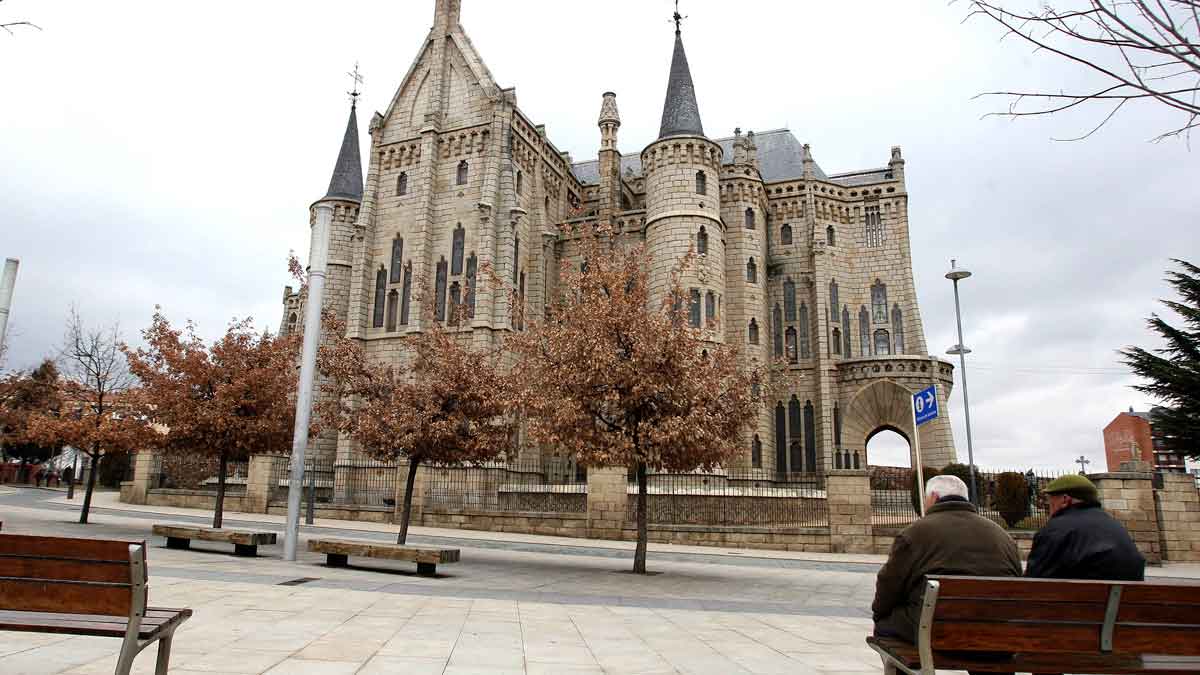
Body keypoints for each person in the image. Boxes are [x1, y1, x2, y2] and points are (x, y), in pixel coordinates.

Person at [873, 475, 1021, 675]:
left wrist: (880, 614)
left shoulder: (916, 533)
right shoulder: (1003, 536)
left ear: (933, 496)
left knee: (885, 625)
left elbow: (889, 586)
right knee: (985, 626)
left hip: (935, 633)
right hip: (997, 636)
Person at [1025, 474, 1145, 581]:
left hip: (1078, 603)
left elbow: (1034, 579)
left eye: (1050, 501)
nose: (1048, 506)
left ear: (1065, 500)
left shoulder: (1056, 530)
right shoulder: (1114, 525)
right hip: (1126, 603)